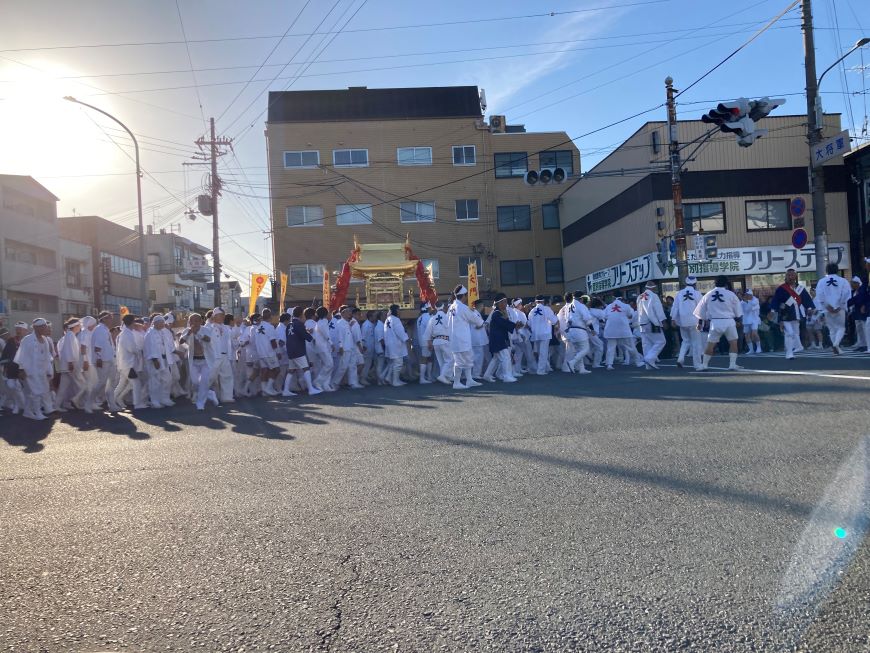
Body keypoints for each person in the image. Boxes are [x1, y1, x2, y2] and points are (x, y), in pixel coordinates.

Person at [694, 275, 743, 371]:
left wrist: (700, 323)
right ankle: (732, 364)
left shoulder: (708, 294)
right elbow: (738, 310)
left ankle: (704, 365)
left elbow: (701, 311)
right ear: (726, 283)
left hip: (715, 322)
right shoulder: (731, 294)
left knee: (710, 344)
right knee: (733, 342)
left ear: (714, 283)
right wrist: (738, 320)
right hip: (729, 321)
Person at [13, 318, 54, 420]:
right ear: (36, 328)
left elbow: (47, 357)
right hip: (30, 371)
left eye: (45, 326)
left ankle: (27, 412)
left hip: (42, 371)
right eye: (43, 326)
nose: (45, 328)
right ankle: (38, 412)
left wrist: (49, 370)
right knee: (36, 392)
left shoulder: (45, 340)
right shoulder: (27, 340)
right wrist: (21, 370)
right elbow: (21, 355)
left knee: (41, 391)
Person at [769, 269, 814, 360]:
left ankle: (796, 347)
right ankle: (789, 353)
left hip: (796, 313)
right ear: (786, 276)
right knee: (789, 333)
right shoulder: (781, 288)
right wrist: (773, 311)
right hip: (784, 314)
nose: (790, 277)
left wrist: (809, 308)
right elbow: (776, 300)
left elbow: (806, 299)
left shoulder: (800, 288)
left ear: (795, 276)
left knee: (795, 333)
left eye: (792, 275)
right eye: (788, 275)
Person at [447, 284, 485, 389]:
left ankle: (469, 380)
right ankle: (456, 383)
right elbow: (476, 320)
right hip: (461, 338)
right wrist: (481, 321)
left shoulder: (451, 307)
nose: (467, 297)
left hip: (456, 338)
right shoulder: (462, 307)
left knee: (468, 359)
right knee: (460, 361)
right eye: (466, 295)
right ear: (463, 295)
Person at [179, 313, 219, 411]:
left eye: (197, 321)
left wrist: (197, 333)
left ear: (201, 321)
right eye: (192, 321)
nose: (194, 323)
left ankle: (200, 403)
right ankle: (210, 393)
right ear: (189, 322)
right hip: (194, 360)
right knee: (195, 382)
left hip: (206, 360)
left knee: (204, 381)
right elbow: (181, 341)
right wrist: (189, 333)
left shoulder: (206, 329)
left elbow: (208, 339)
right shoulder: (187, 330)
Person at [283, 305, 322, 397]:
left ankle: (285, 390)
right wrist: (312, 338)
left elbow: (296, 334)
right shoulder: (299, 324)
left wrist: (306, 332)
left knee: (291, 370)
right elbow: (304, 335)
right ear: (301, 314)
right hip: (298, 350)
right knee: (306, 368)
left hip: (290, 350)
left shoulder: (289, 325)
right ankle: (311, 389)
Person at [813, 262, 851, 354]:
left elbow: (819, 295)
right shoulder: (843, 281)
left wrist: (827, 306)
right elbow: (846, 294)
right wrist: (840, 305)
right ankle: (836, 344)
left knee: (832, 329)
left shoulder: (822, 281)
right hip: (839, 308)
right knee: (841, 328)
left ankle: (835, 346)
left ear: (827, 270)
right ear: (837, 270)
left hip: (827, 309)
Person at [669, 276, 704, 370]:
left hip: (683, 321)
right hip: (694, 321)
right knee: (696, 343)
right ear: (695, 283)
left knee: (685, 341)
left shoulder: (679, 293)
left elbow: (675, 307)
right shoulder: (697, 293)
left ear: (686, 283)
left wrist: (673, 319)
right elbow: (701, 308)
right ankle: (697, 365)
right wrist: (701, 320)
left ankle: (680, 359)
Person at [90, 311, 121, 412]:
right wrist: (98, 358)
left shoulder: (105, 329)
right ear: (103, 319)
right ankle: (88, 402)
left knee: (111, 383)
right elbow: (97, 347)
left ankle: (112, 405)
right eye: (109, 317)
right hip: (103, 360)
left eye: (111, 317)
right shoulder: (99, 330)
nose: (111, 319)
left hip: (109, 359)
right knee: (101, 383)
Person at [482, 293, 518, 382]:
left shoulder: (500, 313)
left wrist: (513, 325)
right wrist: (514, 325)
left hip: (498, 340)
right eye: (504, 302)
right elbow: (504, 324)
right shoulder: (496, 314)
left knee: (496, 359)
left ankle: (487, 375)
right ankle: (507, 376)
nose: (506, 304)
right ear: (499, 303)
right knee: (506, 357)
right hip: (498, 340)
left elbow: (505, 323)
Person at [114, 313, 147, 410]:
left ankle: (115, 399)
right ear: (132, 322)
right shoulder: (126, 333)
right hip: (129, 364)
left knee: (122, 384)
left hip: (125, 363)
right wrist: (139, 351)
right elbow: (131, 348)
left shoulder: (125, 332)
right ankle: (137, 404)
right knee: (136, 384)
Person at [603, 293, 641, 370]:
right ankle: (638, 362)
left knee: (611, 347)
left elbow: (605, 316)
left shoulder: (609, 306)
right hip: (623, 329)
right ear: (622, 298)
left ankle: (609, 364)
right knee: (630, 346)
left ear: (613, 297)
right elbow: (630, 315)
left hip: (610, 329)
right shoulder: (626, 306)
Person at [557, 292, 593, 374]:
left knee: (577, 350)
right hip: (579, 330)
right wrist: (592, 329)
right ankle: (572, 363)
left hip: (570, 330)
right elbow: (587, 319)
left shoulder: (567, 307)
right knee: (585, 349)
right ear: (580, 298)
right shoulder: (580, 306)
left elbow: (566, 320)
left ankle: (581, 368)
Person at [55, 319, 84, 412]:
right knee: (83, 385)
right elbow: (68, 350)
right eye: (79, 325)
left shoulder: (70, 335)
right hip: (70, 366)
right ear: (75, 326)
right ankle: (76, 400)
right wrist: (70, 363)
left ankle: (61, 404)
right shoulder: (70, 335)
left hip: (67, 366)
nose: (80, 327)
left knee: (63, 387)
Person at [144, 315, 173, 408]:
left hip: (164, 359)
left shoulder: (163, 332)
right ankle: (154, 400)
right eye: (161, 322)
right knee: (155, 381)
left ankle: (164, 398)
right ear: (155, 323)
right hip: (155, 361)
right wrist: (155, 359)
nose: (163, 324)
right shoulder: (150, 333)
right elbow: (150, 347)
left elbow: (167, 346)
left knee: (167, 379)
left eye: (163, 322)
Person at [636, 281, 666, 369]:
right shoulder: (653, 296)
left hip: (641, 322)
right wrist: (662, 320)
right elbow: (658, 309)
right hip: (652, 322)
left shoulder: (640, 296)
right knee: (661, 341)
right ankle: (649, 358)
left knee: (646, 344)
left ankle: (648, 365)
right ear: (653, 287)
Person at [208, 308, 235, 402]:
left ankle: (226, 397)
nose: (223, 317)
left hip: (225, 355)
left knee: (227, 376)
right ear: (215, 316)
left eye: (223, 315)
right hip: (214, 356)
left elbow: (230, 342)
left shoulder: (226, 328)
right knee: (210, 377)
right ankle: (199, 394)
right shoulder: (209, 327)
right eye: (220, 315)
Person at [528, 295, 557, 375]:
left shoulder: (532, 310)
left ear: (535, 301)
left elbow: (529, 323)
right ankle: (541, 370)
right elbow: (554, 320)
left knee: (539, 352)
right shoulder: (547, 309)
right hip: (545, 333)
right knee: (543, 352)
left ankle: (545, 367)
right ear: (543, 301)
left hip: (535, 334)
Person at [254, 308, 281, 396]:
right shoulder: (270, 327)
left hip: (260, 353)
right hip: (269, 353)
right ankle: (268, 388)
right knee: (276, 370)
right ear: (270, 316)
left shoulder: (257, 327)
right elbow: (273, 341)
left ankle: (264, 390)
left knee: (264, 371)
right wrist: (277, 352)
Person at [383, 304, 410, 387]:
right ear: (396, 311)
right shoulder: (396, 320)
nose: (400, 311)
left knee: (393, 362)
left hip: (389, 343)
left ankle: (388, 377)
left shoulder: (388, 319)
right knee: (398, 363)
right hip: (396, 344)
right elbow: (400, 332)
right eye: (399, 310)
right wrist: (406, 338)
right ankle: (395, 381)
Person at [426, 302, 453, 384]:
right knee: (450, 359)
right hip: (444, 340)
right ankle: (443, 376)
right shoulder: (447, 316)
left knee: (441, 361)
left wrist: (429, 343)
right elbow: (451, 329)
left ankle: (445, 378)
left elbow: (428, 332)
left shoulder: (432, 318)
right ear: (444, 307)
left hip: (436, 341)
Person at [313, 306, 335, 391]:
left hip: (322, 347)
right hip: (323, 347)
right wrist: (331, 344)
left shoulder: (319, 322)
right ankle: (318, 382)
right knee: (329, 364)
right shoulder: (323, 322)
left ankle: (325, 385)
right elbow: (326, 335)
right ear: (326, 314)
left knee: (327, 365)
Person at [848, 276, 869, 352]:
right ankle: (862, 345)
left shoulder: (862, 290)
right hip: (856, 313)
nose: (851, 285)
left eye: (852, 283)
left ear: (857, 283)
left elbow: (860, 300)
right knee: (859, 329)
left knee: (864, 329)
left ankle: (867, 345)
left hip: (863, 312)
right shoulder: (853, 291)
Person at [470, 300, 489, 379]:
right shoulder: (474, 313)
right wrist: (485, 323)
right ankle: (476, 374)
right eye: (482, 305)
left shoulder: (476, 313)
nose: (483, 307)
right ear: (480, 305)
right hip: (477, 339)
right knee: (478, 357)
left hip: (477, 339)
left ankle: (477, 373)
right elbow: (478, 326)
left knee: (478, 357)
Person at [415, 303, 434, 384]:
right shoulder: (427, 317)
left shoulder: (420, 318)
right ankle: (422, 378)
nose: (431, 308)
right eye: (430, 307)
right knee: (425, 359)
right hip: (427, 341)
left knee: (429, 358)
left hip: (422, 340)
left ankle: (428, 377)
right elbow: (430, 330)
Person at [740, 289, 762, 354]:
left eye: (748, 295)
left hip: (754, 320)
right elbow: (742, 311)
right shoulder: (742, 302)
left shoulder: (755, 300)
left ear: (751, 295)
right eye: (746, 295)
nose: (747, 296)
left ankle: (759, 347)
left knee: (754, 333)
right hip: (746, 320)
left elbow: (750, 308)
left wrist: (747, 301)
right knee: (747, 335)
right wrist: (744, 301)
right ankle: (751, 349)